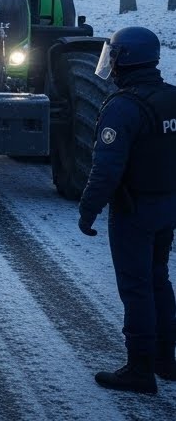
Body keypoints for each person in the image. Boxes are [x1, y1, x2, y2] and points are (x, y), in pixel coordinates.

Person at [78, 26, 176, 394]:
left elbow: (106, 170)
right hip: (167, 205)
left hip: (134, 211)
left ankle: (140, 368)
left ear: (123, 60)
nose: (111, 65)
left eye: (113, 57)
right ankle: (167, 359)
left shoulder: (123, 108)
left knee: (136, 288)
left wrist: (88, 211)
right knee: (158, 279)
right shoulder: (171, 98)